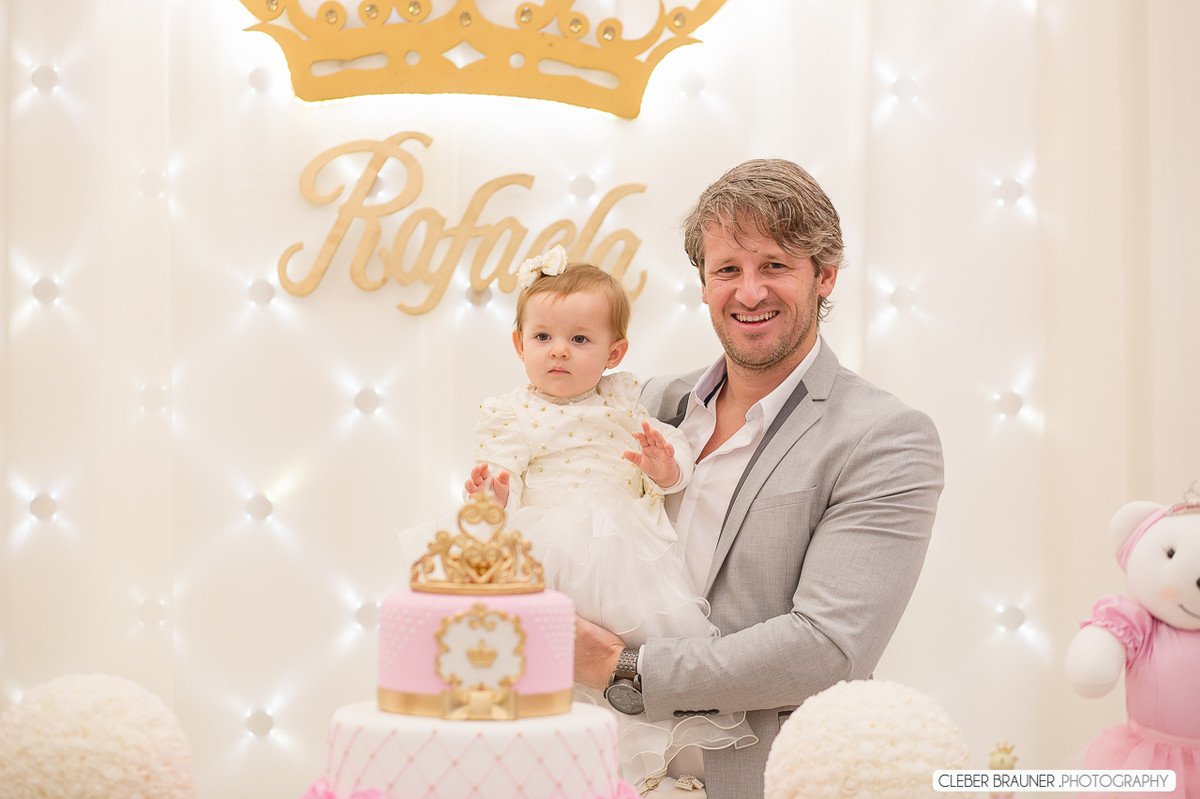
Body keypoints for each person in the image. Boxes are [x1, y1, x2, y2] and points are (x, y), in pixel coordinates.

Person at [573, 159, 945, 799]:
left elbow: (825, 647)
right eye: (727, 270)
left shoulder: (883, 436)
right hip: (599, 770)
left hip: (761, 783)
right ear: (702, 282)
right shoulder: (648, 406)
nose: (749, 292)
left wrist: (621, 670)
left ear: (824, 276)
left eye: (774, 265)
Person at [465, 245, 756, 789]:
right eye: (543, 337)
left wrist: (662, 468)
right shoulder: (512, 414)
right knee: (549, 673)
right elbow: (497, 483)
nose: (559, 352)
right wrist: (489, 499)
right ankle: (556, 768)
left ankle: (644, 767)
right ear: (518, 343)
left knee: (638, 652)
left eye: (580, 340)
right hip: (549, 551)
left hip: (626, 555)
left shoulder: (625, 402)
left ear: (614, 352)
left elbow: (672, 465)